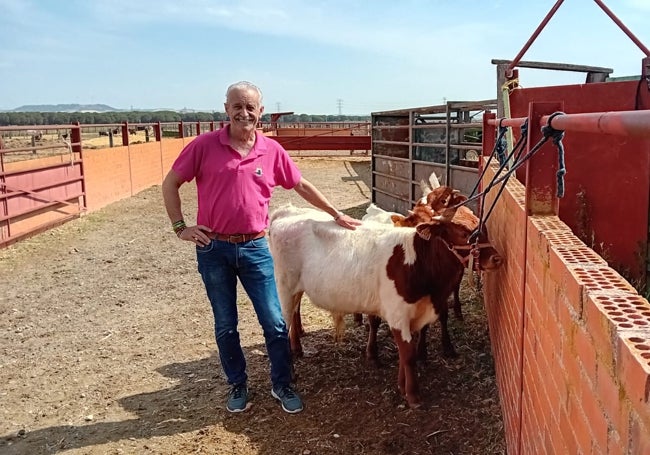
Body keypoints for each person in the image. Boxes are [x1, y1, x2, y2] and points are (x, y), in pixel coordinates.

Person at [161, 81, 361, 414]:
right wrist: (181, 227)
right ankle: (237, 384)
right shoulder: (204, 146)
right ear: (226, 109)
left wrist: (336, 213)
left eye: (250, 107)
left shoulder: (270, 150)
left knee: (274, 321)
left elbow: (300, 184)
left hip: (255, 247)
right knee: (226, 323)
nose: (243, 113)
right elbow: (171, 183)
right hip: (215, 250)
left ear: (260, 111)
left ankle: (282, 383)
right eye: (236, 106)